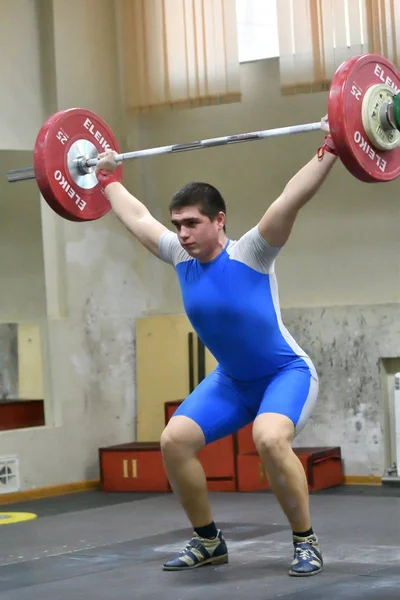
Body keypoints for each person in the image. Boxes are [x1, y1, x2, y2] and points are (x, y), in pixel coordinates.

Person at [95, 114, 338, 577]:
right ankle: (209, 541)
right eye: (178, 225)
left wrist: (333, 147)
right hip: (233, 380)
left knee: (268, 439)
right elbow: (137, 217)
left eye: (192, 223)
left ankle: (305, 541)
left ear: (219, 220)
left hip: (285, 373)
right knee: (174, 441)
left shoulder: (252, 252)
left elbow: (292, 197)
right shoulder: (178, 256)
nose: (182, 233)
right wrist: (105, 178)